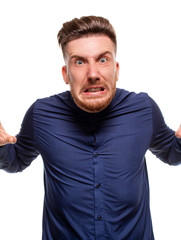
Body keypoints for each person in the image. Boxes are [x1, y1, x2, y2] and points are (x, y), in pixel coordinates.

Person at [0, 15, 181, 240]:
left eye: (102, 60)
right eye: (79, 62)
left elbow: (172, 152)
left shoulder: (143, 109)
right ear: (66, 74)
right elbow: (15, 160)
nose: (93, 74)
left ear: (116, 69)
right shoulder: (41, 115)